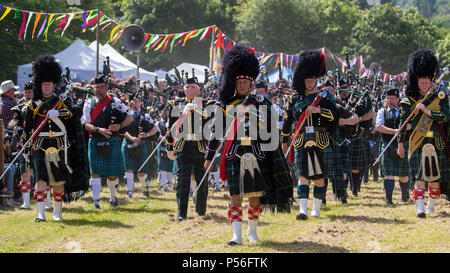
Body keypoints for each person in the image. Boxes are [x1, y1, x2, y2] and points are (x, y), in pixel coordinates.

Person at [205, 45, 293, 245]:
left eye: (246, 82)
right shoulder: (224, 105)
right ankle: (236, 235)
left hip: (256, 153)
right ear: (233, 82)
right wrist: (209, 157)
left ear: (251, 84)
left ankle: (252, 233)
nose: (243, 85)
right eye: (239, 82)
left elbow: (272, 127)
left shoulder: (262, 103)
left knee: (254, 196)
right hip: (234, 153)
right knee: (235, 194)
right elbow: (215, 133)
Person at [23, 55, 89, 222]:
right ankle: (40, 214)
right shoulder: (32, 106)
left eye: (50, 84)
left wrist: (58, 113)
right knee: (40, 179)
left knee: (59, 180)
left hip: (59, 144)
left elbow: (77, 111)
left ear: (54, 84)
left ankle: (57, 213)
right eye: (44, 84)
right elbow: (27, 127)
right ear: (40, 84)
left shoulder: (62, 101)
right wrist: (25, 147)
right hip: (40, 145)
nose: (47, 87)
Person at [282, 50, 337, 220]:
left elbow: (334, 116)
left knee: (319, 178)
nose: (310, 83)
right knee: (303, 176)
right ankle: (303, 210)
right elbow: (286, 123)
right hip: (301, 140)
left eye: (313, 80)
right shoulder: (295, 99)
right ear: (302, 80)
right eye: (307, 80)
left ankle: (316, 209)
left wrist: (318, 110)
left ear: (317, 80)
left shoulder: (324, 96)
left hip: (320, 140)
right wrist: (284, 142)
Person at [397, 49, 450, 218]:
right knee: (418, 177)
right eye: (421, 81)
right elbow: (401, 124)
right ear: (416, 80)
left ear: (431, 80)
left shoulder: (439, 98)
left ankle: (431, 207)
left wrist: (428, 111)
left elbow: (446, 116)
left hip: (436, 142)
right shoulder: (408, 101)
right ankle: (420, 208)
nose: (424, 84)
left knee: (434, 179)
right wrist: (400, 142)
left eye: (427, 80)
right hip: (417, 142)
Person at [166, 76, 215, 222]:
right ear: (183, 89)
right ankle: (182, 213)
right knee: (183, 180)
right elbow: (171, 127)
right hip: (183, 145)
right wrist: (169, 146)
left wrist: (198, 108)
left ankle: (201, 211)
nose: (190, 89)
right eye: (187, 87)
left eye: (193, 87)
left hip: (200, 146)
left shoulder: (207, 104)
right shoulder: (176, 104)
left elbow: (211, 123)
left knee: (202, 180)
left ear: (199, 89)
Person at [81, 76, 133, 209]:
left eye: (101, 87)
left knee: (112, 174)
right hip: (95, 139)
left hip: (112, 140)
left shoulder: (115, 101)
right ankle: (96, 201)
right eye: (96, 87)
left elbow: (131, 116)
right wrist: (98, 130)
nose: (99, 90)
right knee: (95, 173)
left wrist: (120, 126)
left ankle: (112, 197)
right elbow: (85, 123)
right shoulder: (88, 103)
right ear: (93, 88)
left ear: (106, 87)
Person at [121, 92, 159, 198]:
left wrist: (146, 134)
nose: (135, 104)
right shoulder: (125, 114)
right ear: (129, 102)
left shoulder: (144, 116)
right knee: (128, 170)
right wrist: (132, 138)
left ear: (140, 103)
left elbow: (155, 128)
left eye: (137, 101)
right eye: (133, 101)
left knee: (142, 171)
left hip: (141, 144)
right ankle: (130, 193)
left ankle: (144, 188)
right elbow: (123, 130)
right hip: (128, 143)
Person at [376, 88, 410, 204]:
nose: (390, 100)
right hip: (387, 144)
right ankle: (389, 199)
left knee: (404, 174)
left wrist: (405, 128)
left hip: (403, 145)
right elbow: (379, 127)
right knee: (388, 173)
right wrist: (395, 131)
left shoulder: (404, 111)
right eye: (388, 98)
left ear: (398, 99)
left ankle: (405, 197)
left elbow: (411, 125)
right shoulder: (382, 111)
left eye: (393, 98)